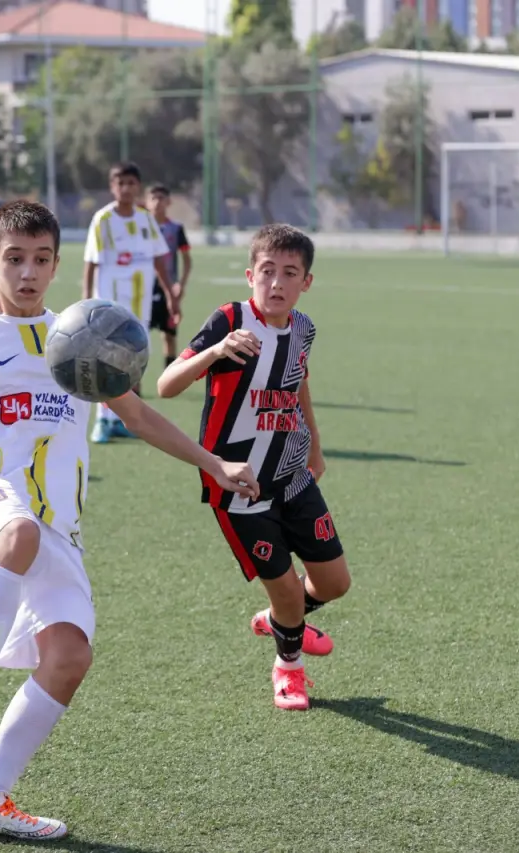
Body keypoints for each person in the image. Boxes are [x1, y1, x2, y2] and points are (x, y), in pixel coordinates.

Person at [0, 200, 259, 840]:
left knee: (69, 657)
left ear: (57, 264)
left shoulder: (80, 336)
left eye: (41, 259)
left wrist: (213, 464)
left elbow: (138, 417)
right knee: (18, 532)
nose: (27, 273)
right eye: (14, 259)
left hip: (61, 525)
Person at [156, 224, 351, 712]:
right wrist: (215, 351)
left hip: (292, 474)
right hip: (239, 485)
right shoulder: (229, 321)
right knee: (286, 587)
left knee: (334, 583)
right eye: (267, 271)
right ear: (250, 275)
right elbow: (165, 385)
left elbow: (298, 383)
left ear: (306, 282)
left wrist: (315, 445)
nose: (277, 283)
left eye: (290, 273)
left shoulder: (303, 329)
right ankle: (288, 669)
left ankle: (282, 618)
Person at [82, 161, 178, 444]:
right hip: (108, 305)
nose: (126, 188)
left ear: (138, 187)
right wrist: (87, 300)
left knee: (131, 361)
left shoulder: (146, 220)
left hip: (140, 304)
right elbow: (91, 262)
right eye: (120, 183)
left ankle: (121, 420)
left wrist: (171, 295)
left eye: (131, 183)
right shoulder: (103, 220)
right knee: (105, 360)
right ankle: (102, 421)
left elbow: (160, 258)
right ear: (113, 187)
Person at [147, 184, 192, 369]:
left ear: (168, 202)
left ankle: (170, 374)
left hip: (168, 288)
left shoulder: (176, 228)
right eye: (154, 198)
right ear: (147, 202)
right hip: (144, 288)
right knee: (139, 334)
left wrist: (180, 284)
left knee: (169, 335)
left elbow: (187, 259)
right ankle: (135, 381)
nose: (157, 202)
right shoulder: (141, 227)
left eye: (161, 198)